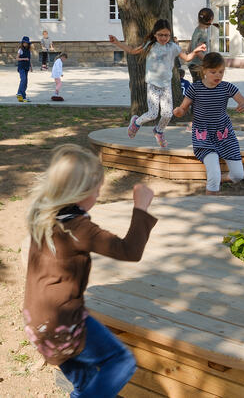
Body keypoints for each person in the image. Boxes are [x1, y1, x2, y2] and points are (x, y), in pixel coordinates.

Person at [23, 144, 156, 397]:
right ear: (80, 192)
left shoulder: (44, 214)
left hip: (37, 323)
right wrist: (141, 208)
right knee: (121, 362)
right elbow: (129, 250)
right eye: (96, 191)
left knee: (86, 385)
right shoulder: (77, 228)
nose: (98, 196)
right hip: (62, 325)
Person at [109, 20, 206, 148]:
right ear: (155, 34)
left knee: (167, 114)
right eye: (160, 35)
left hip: (166, 86)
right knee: (153, 113)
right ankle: (136, 122)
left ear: (170, 35)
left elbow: (187, 58)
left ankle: (158, 131)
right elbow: (132, 51)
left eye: (166, 35)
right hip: (153, 85)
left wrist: (196, 50)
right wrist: (117, 43)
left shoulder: (173, 47)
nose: (164, 38)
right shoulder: (150, 45)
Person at [172, 51, 244, 194]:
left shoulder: (227, 87)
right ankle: (212, 193)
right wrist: (178, 112)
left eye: (221, 72)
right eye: (213, 72)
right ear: (204, 70)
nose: (218, 75)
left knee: (238, 175)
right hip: (204, 136)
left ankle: (217, 179)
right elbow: (183, 108)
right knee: (213, 175)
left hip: (224, 135)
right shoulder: (195, 88)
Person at [188, 8, 218, 82]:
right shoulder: (203, 34)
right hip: (198, 65)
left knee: (196, 87)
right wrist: (209, 62)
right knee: (201, 88)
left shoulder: (197, 30)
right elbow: (198, 51)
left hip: (191, 64)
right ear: (211, 19)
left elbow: (190, 47)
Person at [16, 36, 32, 102]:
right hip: (21, 67)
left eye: (26, 43)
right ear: (22, 43)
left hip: (26, 67)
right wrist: (24, 59)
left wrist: (31, 66)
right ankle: (19, 93)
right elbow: (17, 58)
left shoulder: (29, 51)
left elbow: (29, 59)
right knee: (23, 79)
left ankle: (23, 97)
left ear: (28, 44)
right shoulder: (20, 50)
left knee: (25, 82)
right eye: (24, 43)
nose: (25, 44)